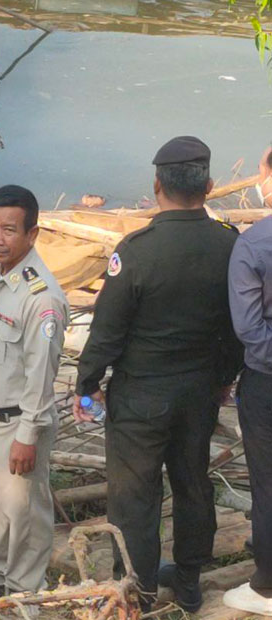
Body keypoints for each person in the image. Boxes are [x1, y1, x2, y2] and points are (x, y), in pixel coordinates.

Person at [73, 136, 242, 612]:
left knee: (134, 495)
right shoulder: (229, 244)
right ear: (209, 186)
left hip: (141, 395)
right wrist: (224, 376)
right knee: (193, 483)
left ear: (156, 185)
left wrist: (86, 384)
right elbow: (237, 325)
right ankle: (188, 578)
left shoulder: (137, 250)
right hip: (199, 391)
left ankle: (137, 587)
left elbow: (107, 329)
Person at [0, 185, 68, 594]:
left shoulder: (42, 300)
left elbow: (41, 376)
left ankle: (23, 592)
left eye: (8, 230)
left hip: (17, 425)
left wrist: (28, 437)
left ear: (32, 235)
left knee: (25, 516)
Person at [224, 168, 272, 614]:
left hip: (267, 382)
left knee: (267, 479)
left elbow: (250, 328)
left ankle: (267, 587)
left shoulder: (254, 243)